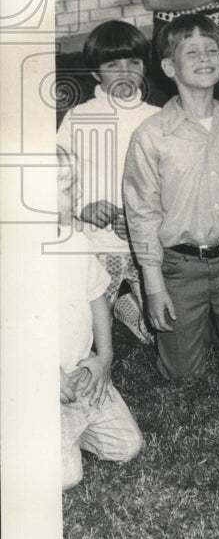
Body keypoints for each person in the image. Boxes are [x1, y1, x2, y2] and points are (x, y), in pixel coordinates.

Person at [123, 14, 219, 381]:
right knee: (181, 374)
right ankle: (191, 318)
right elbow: (142, 213)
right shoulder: (151, 135)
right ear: (169, 66)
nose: (205, 58)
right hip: (180, 265)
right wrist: (154, 285)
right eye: (192, 52)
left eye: (212, 49)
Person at [55, 20, 159, 343]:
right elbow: (57, 174)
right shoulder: (78, 117)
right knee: (83, 333)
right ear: (97, 73)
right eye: (113, 64)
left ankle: (131, 304)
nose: (125, 71)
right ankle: (114, 303)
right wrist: (82, 206)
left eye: (134, 62)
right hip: (96, 244)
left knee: (155, 335)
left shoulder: (158, 117)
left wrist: (146, 219)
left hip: (147, 244)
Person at [58, 146, 143, 490]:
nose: (78, 193)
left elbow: (96, 298)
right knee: (66, 478)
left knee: (125, 446)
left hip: (82, 369)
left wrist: (104, 358)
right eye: (68, 187)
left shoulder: (76, 242)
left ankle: (67, 434)